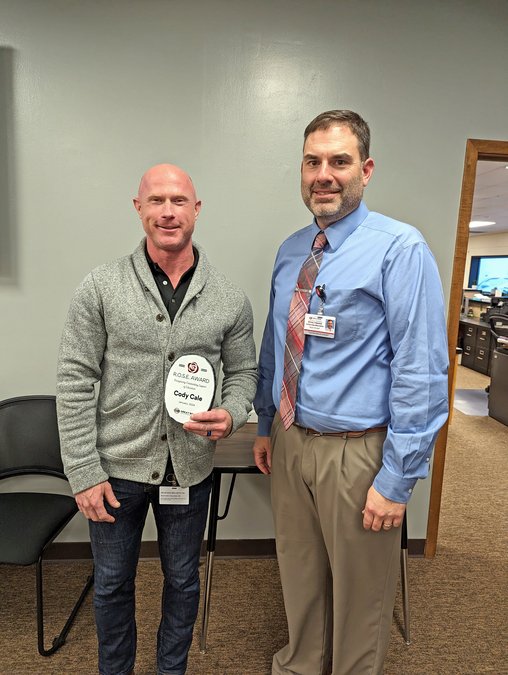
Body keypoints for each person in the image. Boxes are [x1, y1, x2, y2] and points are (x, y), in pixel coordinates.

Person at [253, 110, 448, 675]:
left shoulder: (400, 248)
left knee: (362, 595)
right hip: (291, 440)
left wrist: (397, 478)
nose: (324, 174)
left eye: (339, 161)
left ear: (365, 170)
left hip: (358, 452)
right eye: (312, 162)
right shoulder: (292, 250)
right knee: (299, 573)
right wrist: (266, 424)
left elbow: (421, 372)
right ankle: (300, 664)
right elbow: (275, 344)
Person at [56, 164, 257, 675]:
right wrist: (83, 471)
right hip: (114, 471)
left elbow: (244, 373)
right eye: (157, 200)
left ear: (197, 209)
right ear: (138, 208)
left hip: (189, 469)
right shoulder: (100, 287)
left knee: (183, 581)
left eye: (179, 201)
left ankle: (172, 669)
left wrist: (232, 413)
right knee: (112, 584)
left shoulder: (230, 298)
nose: (168, 212)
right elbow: (74, 379)